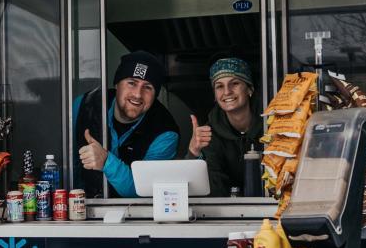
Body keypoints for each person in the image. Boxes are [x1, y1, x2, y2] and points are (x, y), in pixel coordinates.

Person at [74, 51, 179, 198]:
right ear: (117, 84)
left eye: (147, 87)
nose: (137, 94)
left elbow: (145, 191)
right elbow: (65, 164)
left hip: (135, 215)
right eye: (131, 83)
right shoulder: (85, 104)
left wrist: (106, 161)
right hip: (81, 209)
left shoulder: (165, 133)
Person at [187, 57, 263, 197]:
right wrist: (193, 152)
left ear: (250, 89)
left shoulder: (271, 124)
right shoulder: (209, 134)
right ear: (215, 96)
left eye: (234, 83)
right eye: (220, 86)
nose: (227, 92)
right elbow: (212, 191)